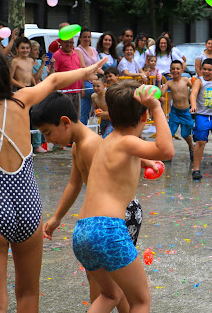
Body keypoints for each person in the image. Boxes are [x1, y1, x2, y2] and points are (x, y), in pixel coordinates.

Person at [0, 42, 106, 311]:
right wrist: (87, 70)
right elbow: (53, 80)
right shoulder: (21, 101)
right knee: (28, 294)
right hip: (29, 206)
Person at [32, 92, 158, 310]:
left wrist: (145, 160)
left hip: (118, 216)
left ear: (64, 122)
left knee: (115, 285)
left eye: (48, 133)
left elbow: (119, 157)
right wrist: (57, 217)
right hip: (102, 221)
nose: (47, 140)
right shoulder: (79, 145)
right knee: (109, 284)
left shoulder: (91, 144)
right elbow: (74, 183)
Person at [72, 81, 173, 312]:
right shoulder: (129, 142)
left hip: (83, 231)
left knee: (110, 294)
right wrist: (157, 108)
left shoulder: (108, 142)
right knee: (140, 301)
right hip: (108, 230)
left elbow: (122, 158)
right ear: (144, 115)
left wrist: (146, 161)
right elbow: (167, 150)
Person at [161, 61, 194, 160]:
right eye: (173, 69)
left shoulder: (186, 80)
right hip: (175, 112)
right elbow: (161, 93)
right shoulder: (169, 83)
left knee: (185, 134)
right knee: (170, 133)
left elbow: (195, 90)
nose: (175, 70)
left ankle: (191, 147)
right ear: (170, 71)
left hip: (185, 112)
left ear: (182, 70)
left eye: (177, 69)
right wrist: (158, 85)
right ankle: (168, 152)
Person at [54, 38, 86, 114]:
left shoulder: (76, 54)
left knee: (76, 118)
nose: (69, 44)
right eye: (66, 42)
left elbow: (80, 71)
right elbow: (53, 73)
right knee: (65, 116)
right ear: (61, 43)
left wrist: (83, 88)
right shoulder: (57, 55)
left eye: (71, 42)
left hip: (76, 91)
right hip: (64, 92)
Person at [76, 28, 99, 125]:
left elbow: (98, 65)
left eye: (88, 37)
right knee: (84, 112)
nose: (87, 39)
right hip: (85, 81)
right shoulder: (78, 50)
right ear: (80, 38)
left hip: (95, 80)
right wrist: (94, 74)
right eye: (84, 37)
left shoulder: (93, 49)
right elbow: (83, 66)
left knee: (85, 110)